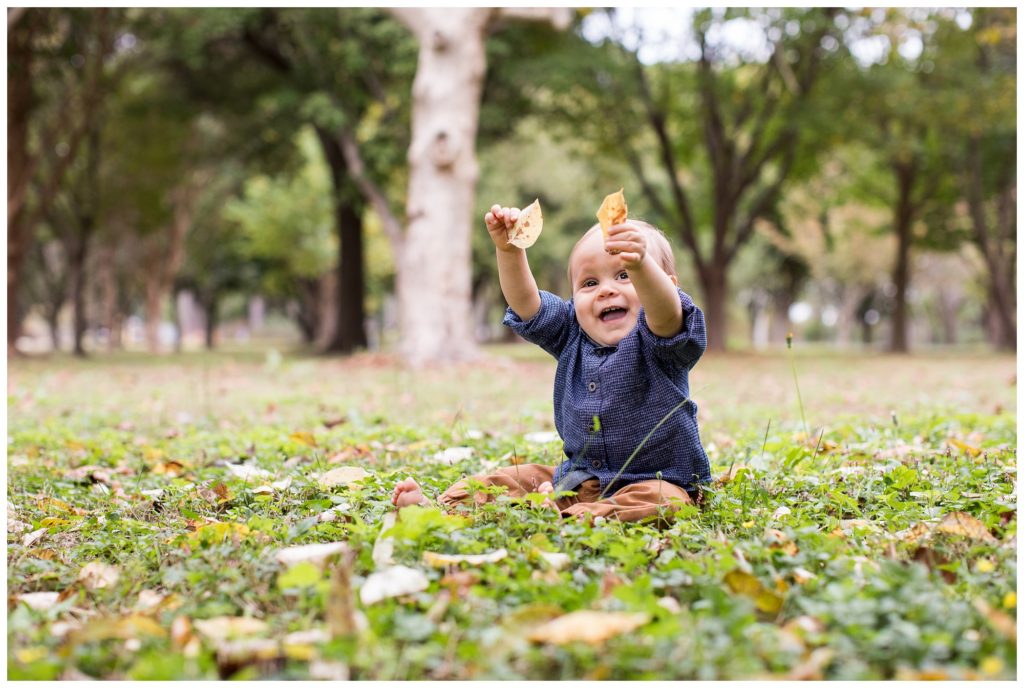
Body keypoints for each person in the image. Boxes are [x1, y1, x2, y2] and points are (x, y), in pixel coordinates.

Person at [392, 202, 711, 522]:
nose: (606, 291)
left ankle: (574, 518)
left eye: (624, 275)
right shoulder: (572, 331)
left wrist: (642, 266)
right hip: (579, 478)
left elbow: (666, 311)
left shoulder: (662, 339)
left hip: (657, 480)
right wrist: (510, 250)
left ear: (667, 285)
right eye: (589, 283)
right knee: (515, 477)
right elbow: (527, 303)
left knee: (666, 502)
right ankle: (440, 507)